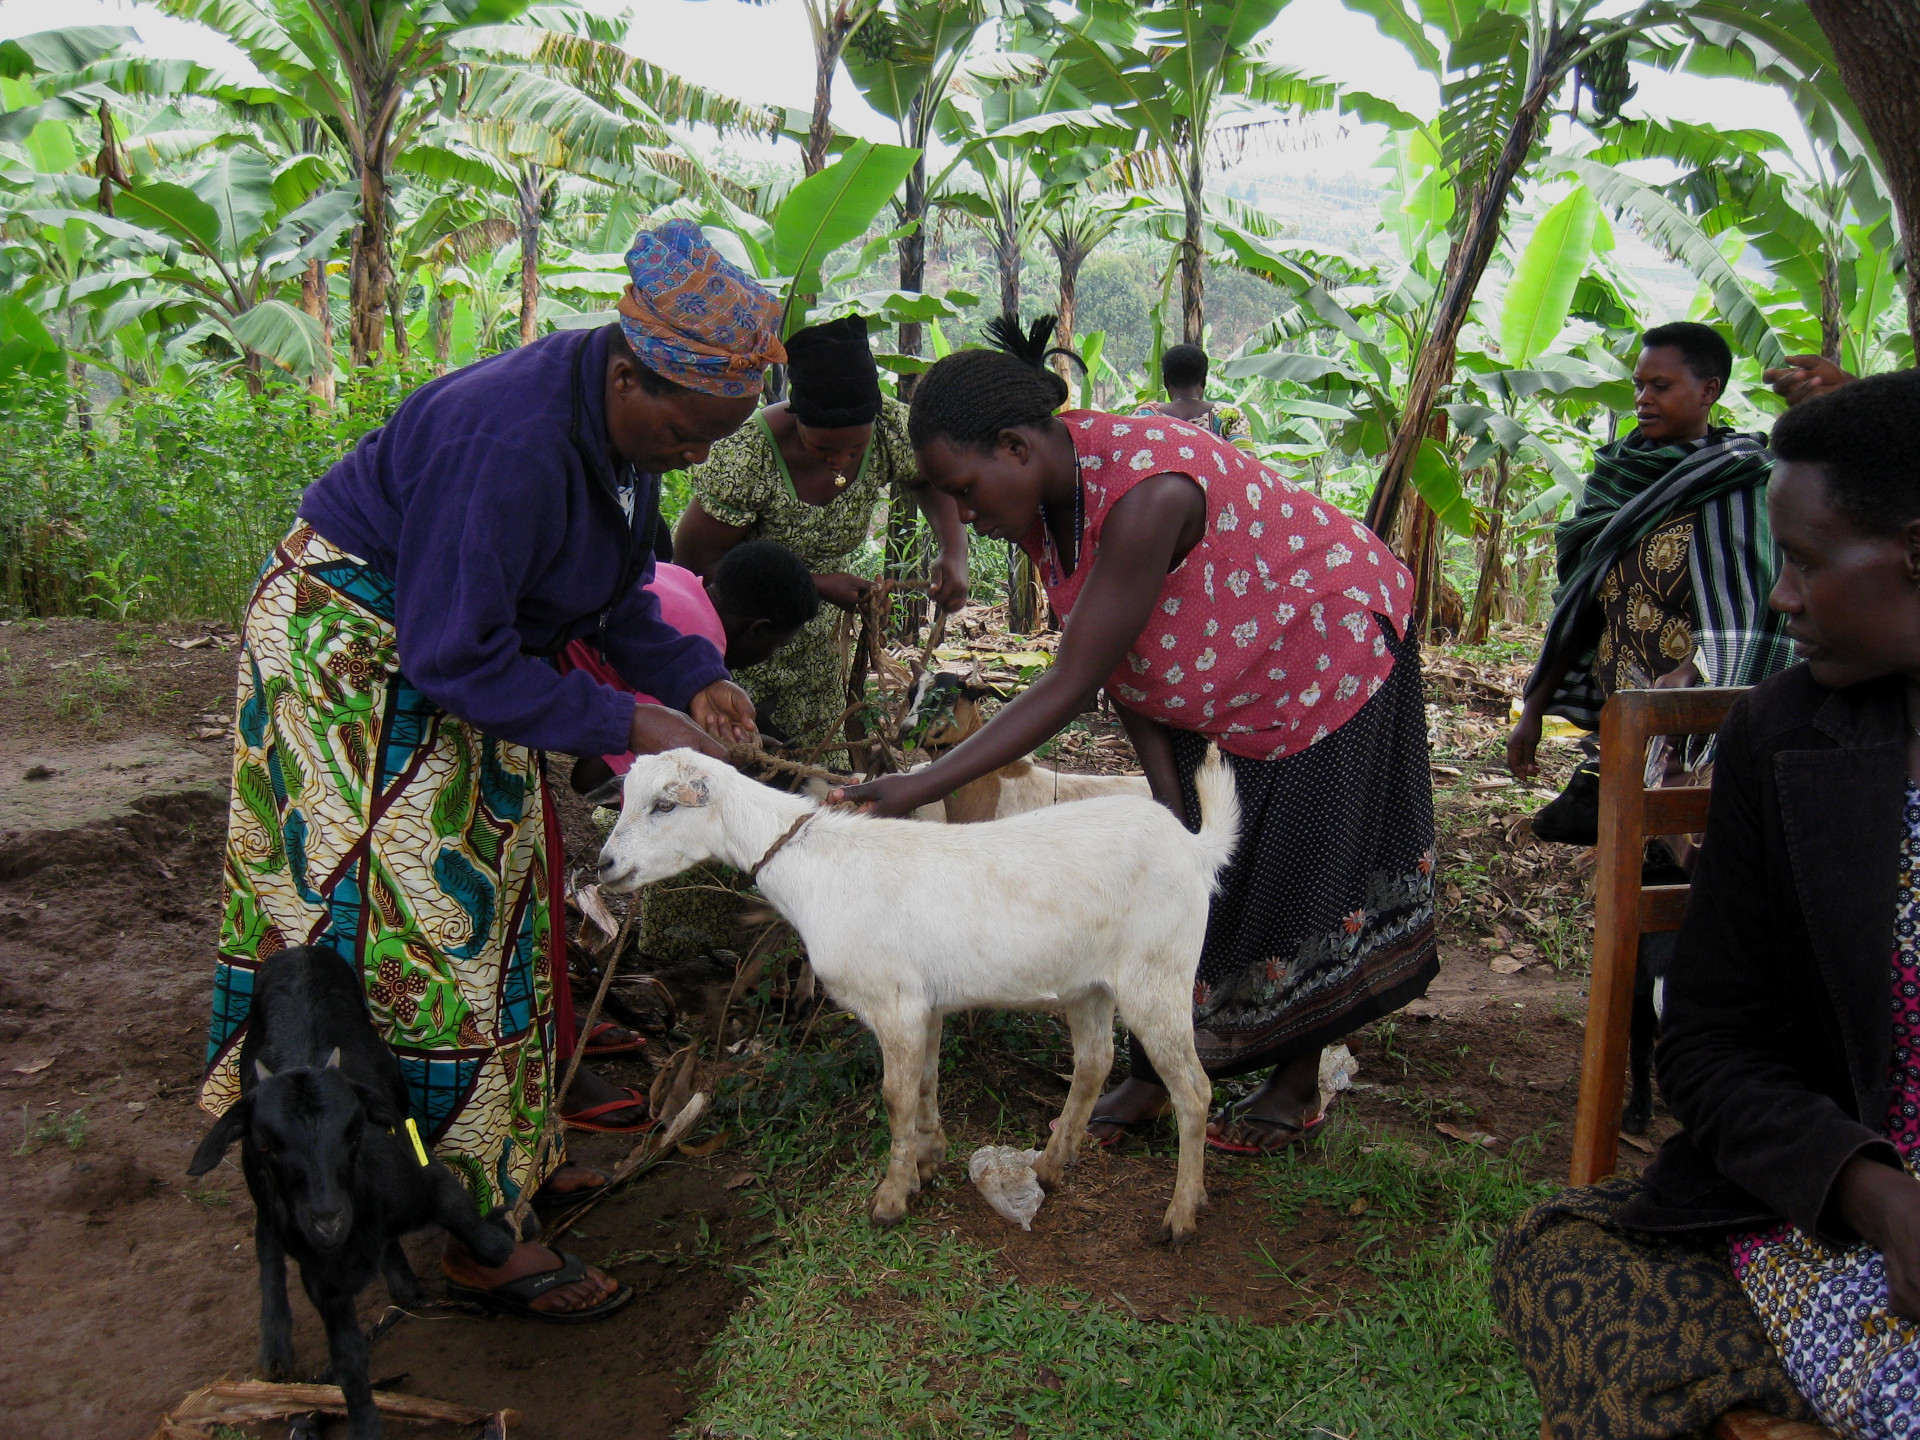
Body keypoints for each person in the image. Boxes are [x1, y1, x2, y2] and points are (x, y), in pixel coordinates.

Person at [199, 221, 780, 1321]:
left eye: (716, 440)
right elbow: (454, 653)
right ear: (630, 376)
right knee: (431, 940)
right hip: (352, 668)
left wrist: (695, 676)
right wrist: (629, 715)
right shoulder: (509, 440)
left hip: (447, 658)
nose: (697, 460)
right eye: (690, 433)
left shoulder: (617, 440)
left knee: (505, 903)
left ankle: (507, 1160)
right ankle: (471, 1229)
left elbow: (613, 599)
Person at [834, 315, 1438, 1155]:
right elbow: (1125, 662)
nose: (964, 515)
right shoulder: (1051, 503)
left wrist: (919, 785)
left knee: (1292, 877)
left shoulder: (1147, 492)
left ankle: (1296, 1081)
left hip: (1324, 653)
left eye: (965, 491)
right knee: (1183, 873)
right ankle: (1155, 1074)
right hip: (1219, 675)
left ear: (1015, 447)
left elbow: (1073, 679)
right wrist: (1166, 799)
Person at [1492, 370, 1920, 1438]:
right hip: (1853, 1208)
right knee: (1567, 1258)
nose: (1782, 598)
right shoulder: (1788, 739)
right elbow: (1713, 1038)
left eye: (1809, 562)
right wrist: (1875, 1193)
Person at [672, 314, 970, 759]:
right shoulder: (747, 458)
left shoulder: (892, 431)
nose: (840, 461)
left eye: (855, 449)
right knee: (741, 764)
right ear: (797, 418)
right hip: (742, 642)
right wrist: (814, 585)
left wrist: (953, 550)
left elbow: (929, 478)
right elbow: (694, 571)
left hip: (816, 649)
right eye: (824, 448)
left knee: (817, 766)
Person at [1508, 322, 1794, 782]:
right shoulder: (1616, 479)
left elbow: (1753, 609)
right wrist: (1533, 709)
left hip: (1697, 726)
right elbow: (1581, 603)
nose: (1643, 398)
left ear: (1709, 391)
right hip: (1624, 718)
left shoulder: (1741, 484)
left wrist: (1692, 671)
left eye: (1661, 386)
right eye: (1639, 385)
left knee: (1686, 824)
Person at [562, 539, 821, 799]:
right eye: (776, 646)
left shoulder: (679, 577)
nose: (769, 656)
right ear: (757, 630)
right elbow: (591, 780)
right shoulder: (695, 647)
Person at [1135, 343, 1241, 439]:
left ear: (1166, 381)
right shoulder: (1229, 416)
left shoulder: (1145, 414)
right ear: (1203, 381)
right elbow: (1244, 453)